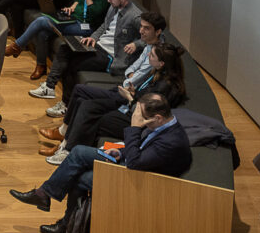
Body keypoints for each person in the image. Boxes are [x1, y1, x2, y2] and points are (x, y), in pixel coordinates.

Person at [10, 93, 192, 233]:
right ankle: (45, 197)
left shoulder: (172, 141)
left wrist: (135, 128)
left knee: (80, 177)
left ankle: (65, 223)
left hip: (144, 182)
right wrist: (121, 152)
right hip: (132, 162)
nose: (138, 119)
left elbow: (136, 164)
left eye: (141, 117)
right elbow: (143, 149)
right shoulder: (161, 125)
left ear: (158, 118)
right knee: (79, 152)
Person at [43, 42, 187, 164]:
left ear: (161, 63)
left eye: (152, 55)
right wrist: (134, 93)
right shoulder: (158, 74)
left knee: (90, 111)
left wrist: (130, 97)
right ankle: (66, 146)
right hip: (130, 107)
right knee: (83, 102)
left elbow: (147, 111)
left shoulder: (165, 85)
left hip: (137, 121)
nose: (148, 55)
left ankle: (69, 151)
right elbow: (145, 98)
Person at [28, 0, 141, 104]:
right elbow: (104, 25)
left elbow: (157, 38)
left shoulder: (135, 16)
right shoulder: (114, 7)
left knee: (71, 64)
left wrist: (136, 44)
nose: (108, 1)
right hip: (97, 46)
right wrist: (93, 37)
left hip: (110, 57)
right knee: (65, 48)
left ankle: (65, 105)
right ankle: (49, 87)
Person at [5, 0, 109, 82]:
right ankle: (41, 66)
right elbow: (78, 1)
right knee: (42, 32)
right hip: (74, 19)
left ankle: (17, 46)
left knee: (42, 21)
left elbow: (94, 12)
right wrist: (71, 8)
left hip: (87, 26)